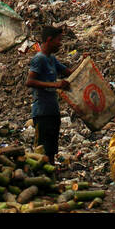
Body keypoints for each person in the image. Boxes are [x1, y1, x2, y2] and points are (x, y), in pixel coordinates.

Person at [26, 24, 73, 166]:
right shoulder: (39, 59)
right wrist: (55, 85)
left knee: (52, 149)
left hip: (53, 111)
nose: (60, 44)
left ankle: (51, 178)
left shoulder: (52, 59)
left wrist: (85, 62)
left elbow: (69, 73)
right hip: (42, 112)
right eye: (58, 40)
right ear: (49, 40)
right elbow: (30, 81)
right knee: (42, 150)